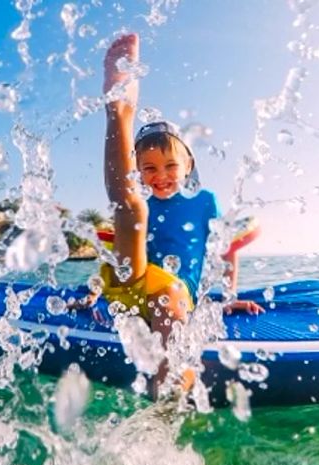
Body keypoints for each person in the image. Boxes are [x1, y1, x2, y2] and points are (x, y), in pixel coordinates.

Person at [95, 33, 262, 394]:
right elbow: (114, 255)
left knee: (167, 295)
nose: (160, 176)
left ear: (189, 166)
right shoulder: (147, 203)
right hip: (131, 284)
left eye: (171, 165)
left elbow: (224, 252)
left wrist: (229, 300)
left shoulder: (204, 201)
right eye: (149, 168)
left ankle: (167, 410)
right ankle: (118, 109)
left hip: (170, 293)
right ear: (137, 170)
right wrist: (91, 295)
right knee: (129, 210)